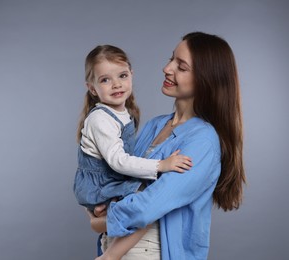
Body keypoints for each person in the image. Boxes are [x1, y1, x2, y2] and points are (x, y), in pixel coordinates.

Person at [88, 32, 246, 260]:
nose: (167, 68)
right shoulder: (156, 125)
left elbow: (150, 205)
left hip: (152, 252)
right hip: (115, 244)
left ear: (206, 79)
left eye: (181, 67)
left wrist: (101, 221)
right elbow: (124, 181)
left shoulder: (202, 142)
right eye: (171, 58)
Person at [73, 45, 193, 260]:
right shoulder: (100, 119)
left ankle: (107, 246)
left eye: (122, 75)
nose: (116, 84)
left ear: (131, 75)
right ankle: (109, 257)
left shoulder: (123, 113)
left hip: (108, 182)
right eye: (105, 80)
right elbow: (118, 161)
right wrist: (162, 165)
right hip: (100, 184)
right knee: (144, 202)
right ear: (92, 88)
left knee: (142, 205)